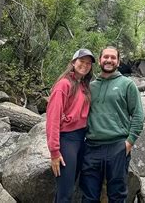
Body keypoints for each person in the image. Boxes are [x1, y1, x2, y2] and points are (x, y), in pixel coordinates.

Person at [80, 46, 145, 202]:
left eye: (113, 57)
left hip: (117, 147)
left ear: (118, 61)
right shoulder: (91, 86)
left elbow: (138, 114)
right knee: (89, 196)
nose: (109, 60)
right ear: (100, 60)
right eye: (105, 57)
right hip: (92, 147)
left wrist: (129, 143)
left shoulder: (127, 84)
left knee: (117, 195)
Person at [46, 48, 95, 203]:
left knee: (69, 186)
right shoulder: (64, 85)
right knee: (65, 192)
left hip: (81, 140)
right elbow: (52, 119)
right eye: (82, 61)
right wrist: (54, 151)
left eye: (88, 63)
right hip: (67, 141)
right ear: (73, 62)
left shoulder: (83, 85)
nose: (85, 65)